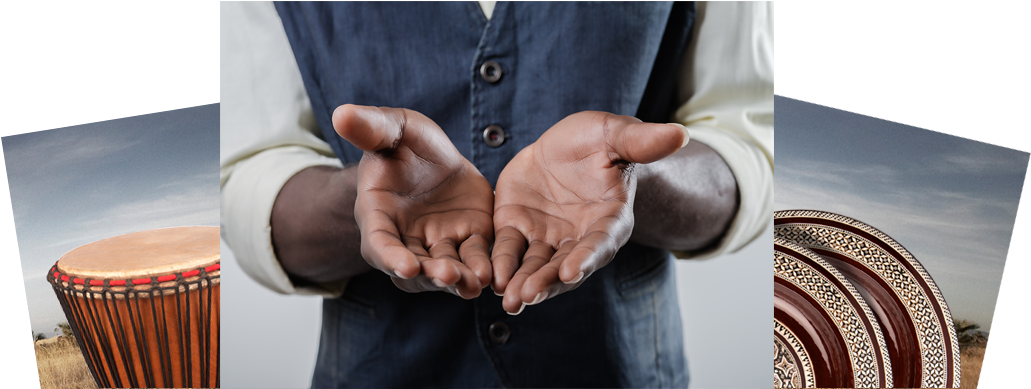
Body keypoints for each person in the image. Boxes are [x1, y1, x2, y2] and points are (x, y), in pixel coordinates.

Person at [220, 1, 773, 388]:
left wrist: (633, 180)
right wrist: (363, 199)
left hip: (619, 370)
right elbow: (251, 174)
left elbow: (749, 142)